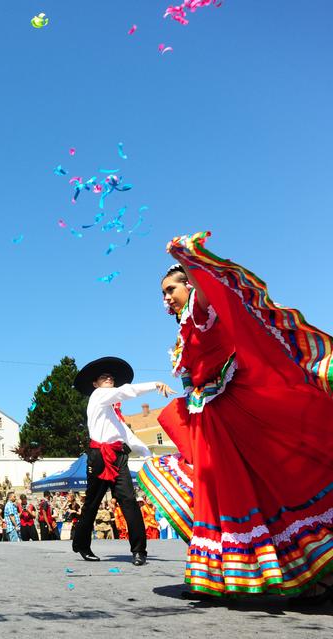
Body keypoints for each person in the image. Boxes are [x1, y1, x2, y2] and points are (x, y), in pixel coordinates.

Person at [138, 232, 333, 602]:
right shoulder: (183, 330)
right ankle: (281, 572)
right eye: (162, 293)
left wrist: (188, 259)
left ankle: (303, 571)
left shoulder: (200, 308)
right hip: (213, 418)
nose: (165, 298)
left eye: (170, 289)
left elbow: (208, 287)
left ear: (188, 285)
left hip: (234, 410)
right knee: (241, 491)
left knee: (260, 485)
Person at [70, 356, 172, 566]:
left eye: (110, 377)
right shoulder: (99, 395)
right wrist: (155, 385)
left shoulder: (114, 414)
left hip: (118, 458)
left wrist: (149, 456)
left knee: (129, 501)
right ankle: (81, 543)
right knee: (92, 502)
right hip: (99, 456)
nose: (108, 378)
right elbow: (125, 391)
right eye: (103, 377)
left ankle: (139, 550)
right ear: (95, 384)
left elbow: (127, 436)